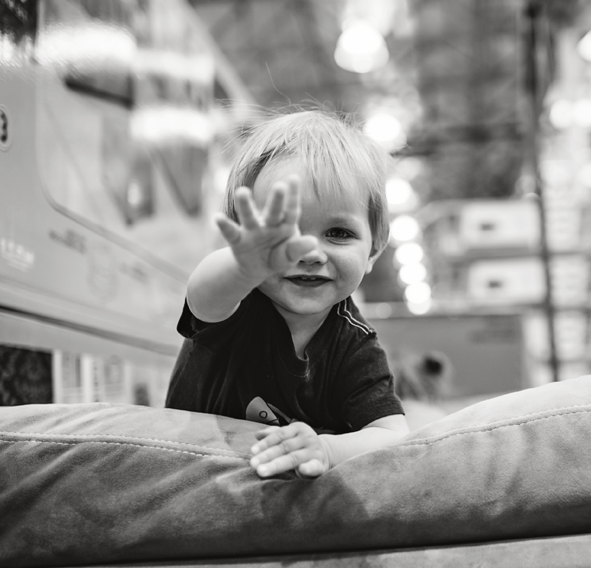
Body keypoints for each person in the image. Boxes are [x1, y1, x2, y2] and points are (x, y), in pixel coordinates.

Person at [165, 109, 408, 479]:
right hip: (190, 474)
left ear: (374, 249)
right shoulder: (238, 294)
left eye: (339, 232)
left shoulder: (354, 345)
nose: (309, 253)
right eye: (282, 233)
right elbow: (203, 298)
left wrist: (327, 449)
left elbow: (393, 435)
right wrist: (243, 266)